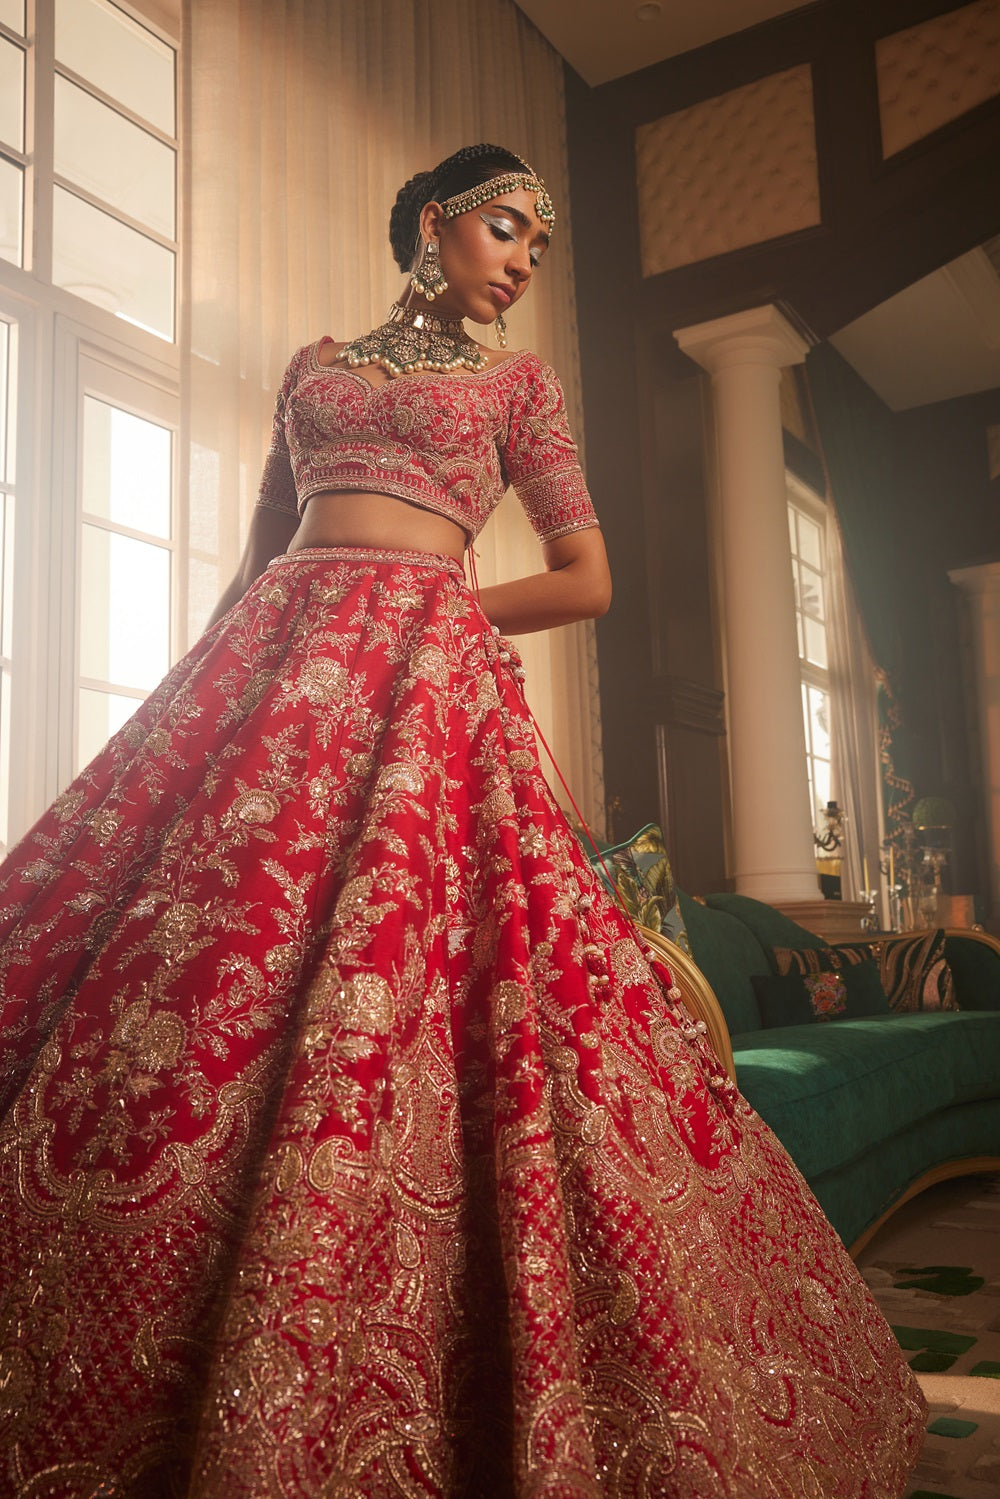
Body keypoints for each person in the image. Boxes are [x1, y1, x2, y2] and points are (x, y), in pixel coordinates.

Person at [0, 144, 924, 1497]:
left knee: (419, 988)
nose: (523, 262)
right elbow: (267, 559)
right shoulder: (314, 369)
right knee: (189, 974)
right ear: (436, 227)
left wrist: (430, 613)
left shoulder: (517, 388)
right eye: (506, 230)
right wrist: (205, 680)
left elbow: (587, 576)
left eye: (540, 245)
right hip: (270, 688)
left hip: (423, 697)